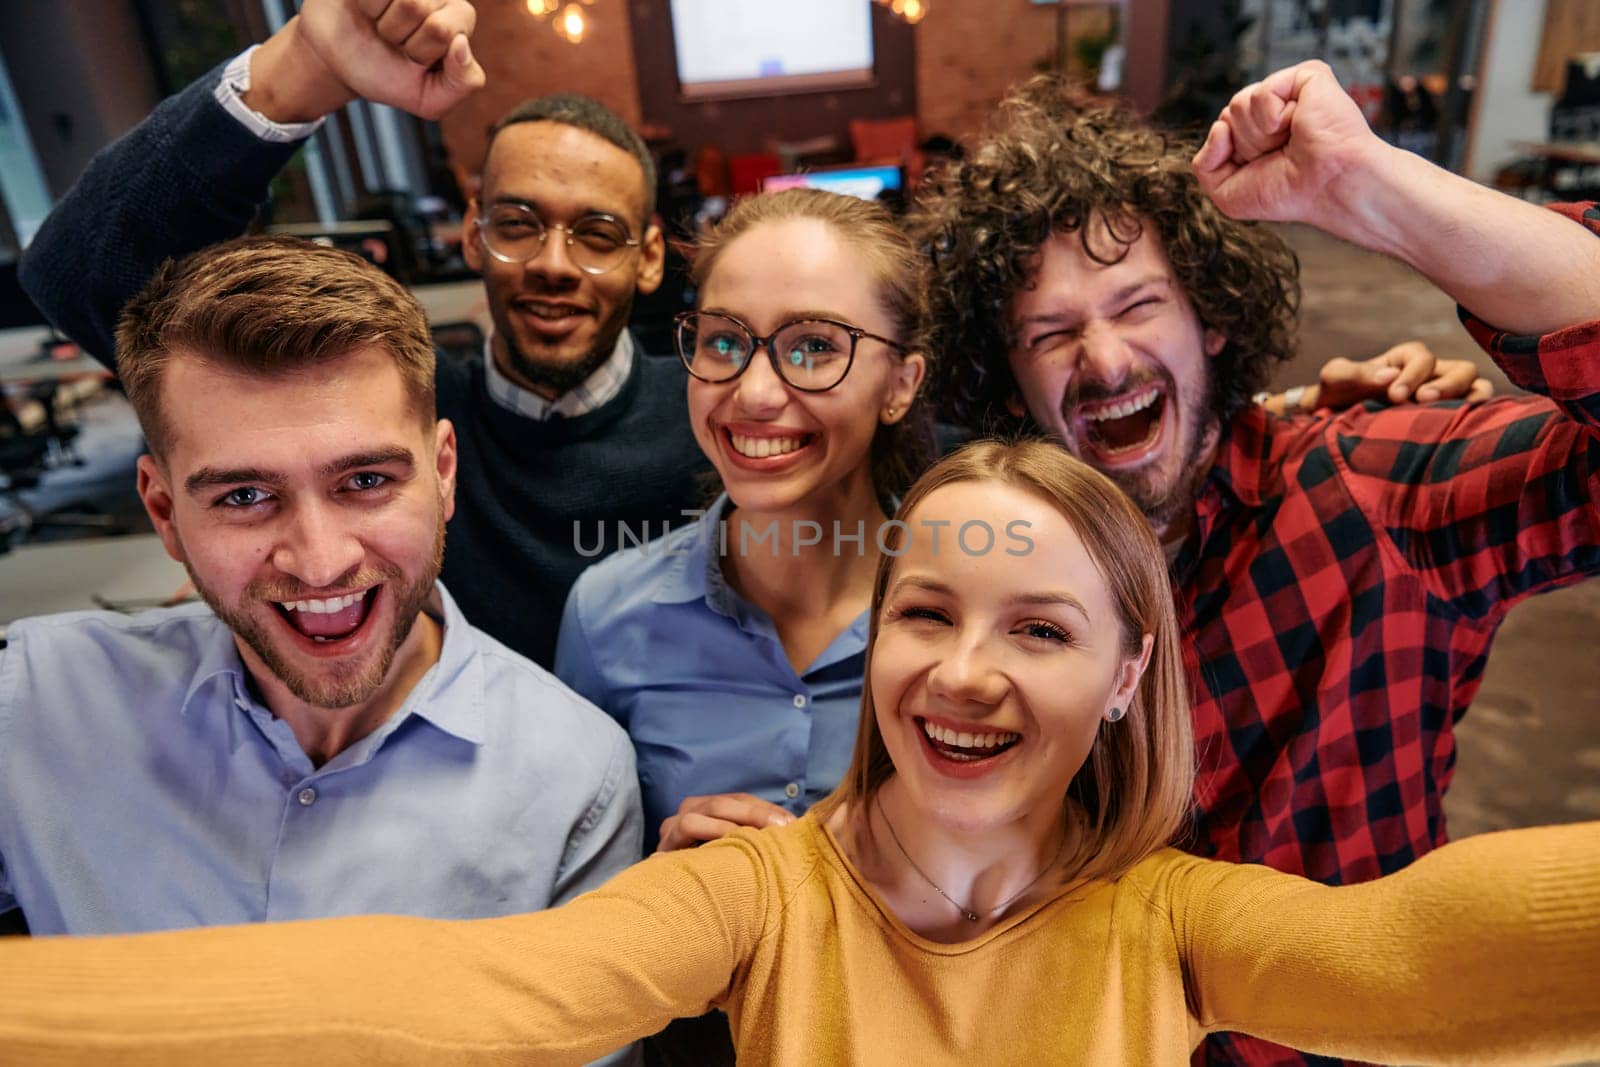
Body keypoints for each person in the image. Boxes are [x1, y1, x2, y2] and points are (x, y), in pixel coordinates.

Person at [0, 440, 1595, 1067]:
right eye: (928, 611)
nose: (963, 671)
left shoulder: (1177, 919)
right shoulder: (757, 895)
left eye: (1040, 628)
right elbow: (472, 993)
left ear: (1127, 675)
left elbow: (1423, 956)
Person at [914, 63, 1600, 1065]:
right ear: (1010, 382)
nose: (1103, 361)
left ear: (1213, 317)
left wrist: (1365, 184)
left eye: (1138, 304)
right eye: (1052, 333)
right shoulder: (987, 579)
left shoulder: (1367, 494)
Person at [17, 0, 708, 668]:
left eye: (596, 234)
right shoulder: (381, 414)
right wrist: (299, 71)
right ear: (474, 234)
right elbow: (82, 272)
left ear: (649, 256)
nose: (554, 265)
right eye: (518, 225)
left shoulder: (713, 418)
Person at [0, 236, 641, 941]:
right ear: (164, 512)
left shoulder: (575, 778)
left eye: (365, 481)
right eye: (244, 495)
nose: (319, 563)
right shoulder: (30, 707)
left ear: (445, 471)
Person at [555, 189, 929, 855]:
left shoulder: (971, 617)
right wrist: (660, 883)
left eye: (814, 346)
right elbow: (579, 899)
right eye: (724, 340)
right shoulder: (607, 615)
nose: (754, 393)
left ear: (900, 383)